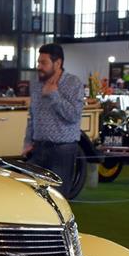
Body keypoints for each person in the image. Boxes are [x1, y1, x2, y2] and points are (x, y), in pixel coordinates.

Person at [21, 43, 84, 198]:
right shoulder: (36, 83)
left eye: (44, 63)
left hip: (62, 151)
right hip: (38, 149)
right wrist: (27, 142)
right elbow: (32, 116)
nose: (39, 66)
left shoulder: (73, 83)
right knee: (32, 195)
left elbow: (73, 116)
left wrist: (54, 94)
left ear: (57, 63)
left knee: (57, 198)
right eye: (38, 62)